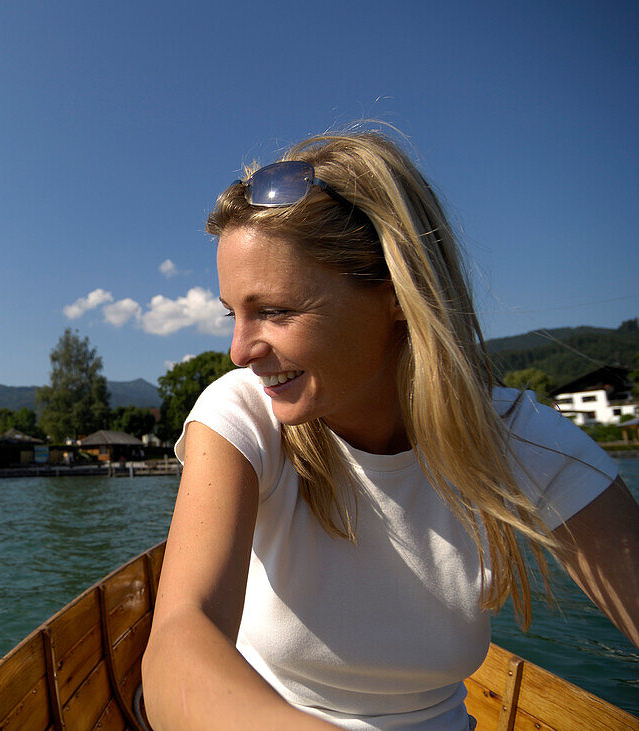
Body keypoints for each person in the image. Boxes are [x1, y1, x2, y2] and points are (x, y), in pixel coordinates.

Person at [141, 129, 639, 730]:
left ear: (396, 293)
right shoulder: (242, 416)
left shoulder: (516, 439)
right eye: (233, 313)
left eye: (274, 311)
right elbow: (176, 644)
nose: (238, 350)